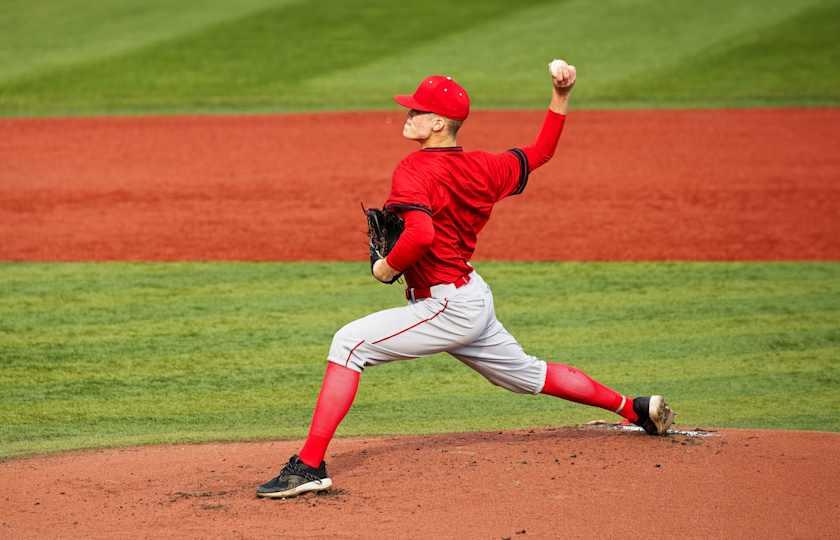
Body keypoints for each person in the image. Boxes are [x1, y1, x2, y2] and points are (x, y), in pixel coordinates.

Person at [257, 61, 675, 499]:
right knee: (526, 374)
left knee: (348, 344)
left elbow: (420, 234)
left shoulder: (414, 171)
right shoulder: (485, 167)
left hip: (444, 307)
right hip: (470, 297)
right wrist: (560, 96)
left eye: (416, 111)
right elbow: (542, 151)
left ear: (438, 123)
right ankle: (635, 409)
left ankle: (308, 466)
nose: (407, 115)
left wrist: (386, 268)